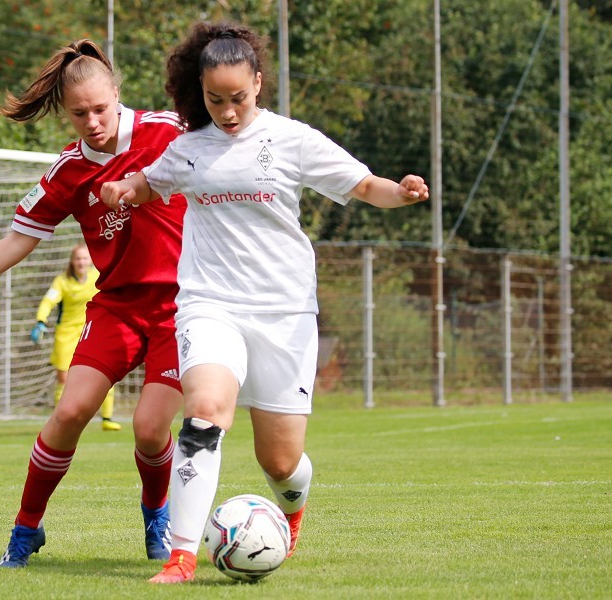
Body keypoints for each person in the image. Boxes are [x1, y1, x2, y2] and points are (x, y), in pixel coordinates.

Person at [100, 21, 429, 584]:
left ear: (257, 82)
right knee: (204, 412)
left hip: (284, 312)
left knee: (279, 461)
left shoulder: (292, 139)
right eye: (214, 100)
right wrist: (125, 189)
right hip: (210, 304)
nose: (227, 111)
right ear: (200, 92)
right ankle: (182, 557)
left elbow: (362, 184)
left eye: (238, 97)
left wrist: (400, 192)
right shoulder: (189, 149)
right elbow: (150, 184)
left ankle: (291, 513)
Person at [0, 39, 187, 568]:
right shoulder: (68, 171)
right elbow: (19, 238)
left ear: (117, 93)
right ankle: (25, 530)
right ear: (64, 112)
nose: (92, 122)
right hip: (118, 307)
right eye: (79, 113)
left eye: (100, 108)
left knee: (151, 429)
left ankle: (156, 516)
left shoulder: (169, 131)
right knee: (70, 411)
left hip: (183, 307)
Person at [30, 243, 120, 431]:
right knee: (63, 379)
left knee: (107, 374)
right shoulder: (62, 281)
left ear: (90, 260)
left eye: (85, 258)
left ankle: (107, 418)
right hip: (66, 335)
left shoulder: (98, 277)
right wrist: (40, 321)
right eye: (78, 258)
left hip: (93, 332)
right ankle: (59, 421)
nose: (81, 262)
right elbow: (48, 301)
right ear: (72, 261)